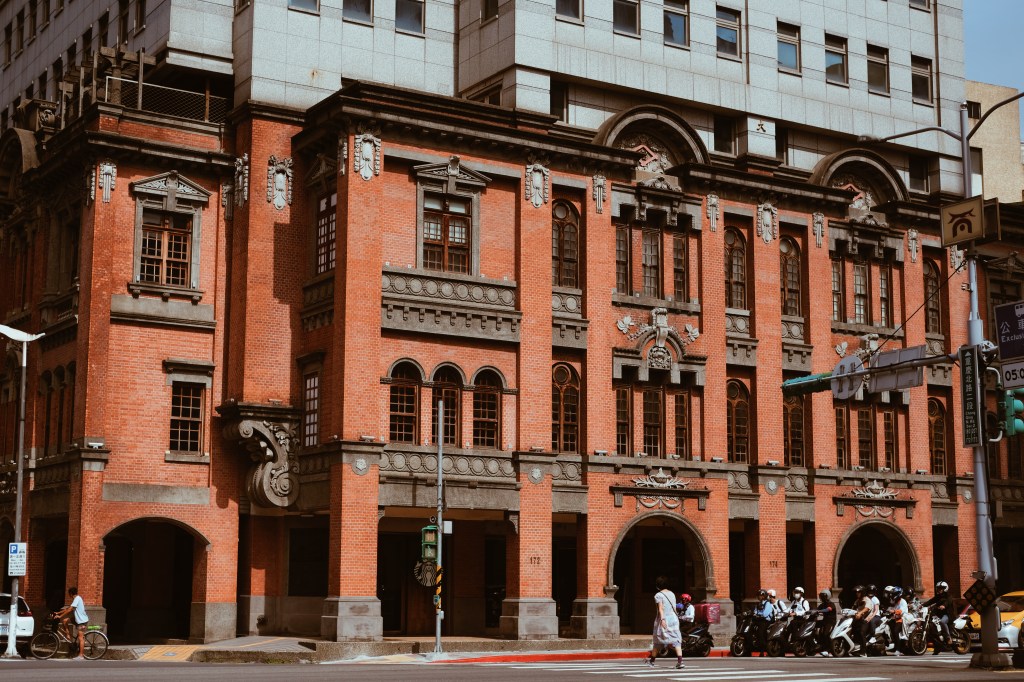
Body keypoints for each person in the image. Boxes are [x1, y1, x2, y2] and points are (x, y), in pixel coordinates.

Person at [645, 576, 684, 669]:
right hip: (673, 619)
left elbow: (661, 608)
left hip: (664, 619)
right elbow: (674, 607)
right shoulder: (672, 594)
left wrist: (662, 619)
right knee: (676, 640)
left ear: (658, 585)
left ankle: (652, 661)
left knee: (657, 641)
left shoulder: (658, 595)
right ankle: (680, 662)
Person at [922, 580, 954, 655]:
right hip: (939, 614)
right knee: (932, 626)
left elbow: (948, 602)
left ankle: (948, 637)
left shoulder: (948, 596)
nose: (939, 590)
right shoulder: (938, 597)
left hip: (947, 614)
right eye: (938, 588)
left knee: (942, 622)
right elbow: (930, 601)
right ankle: (937, 647)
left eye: (940, 588)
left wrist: (944, 606)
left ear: (945, 589)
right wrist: (922, 605)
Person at [57, 587, 88, 660]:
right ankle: (68, 634)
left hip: (81, 621)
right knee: (65, 621)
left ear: (70, 594)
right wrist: (58, 613)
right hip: (77, 619)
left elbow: (70, 609)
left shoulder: (77, 598)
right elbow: (68, 608)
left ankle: (81, 656)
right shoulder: (76, 599)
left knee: (80, 638)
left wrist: (60, 616)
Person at [851, 585, 873, 656]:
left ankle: (864, 652)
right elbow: (853, 608)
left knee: (862, 632)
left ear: (862, 592)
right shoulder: (857, 601)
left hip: (865, 620)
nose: (857, 594)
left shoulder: (867, 600)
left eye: (859, 592)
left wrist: (860, 613)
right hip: (857, 620)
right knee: (852, 631)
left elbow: (866, 608)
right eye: (856, 592)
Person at [815, 589, 837, 657]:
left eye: (823, 596)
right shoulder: (822, 604)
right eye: (821, 596)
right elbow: (816, 609)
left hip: (831, 622)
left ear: (827, 596)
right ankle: (816, 645)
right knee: (815, 627)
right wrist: (810, 611)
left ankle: (827, 650)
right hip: (824, 621)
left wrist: (820, 611)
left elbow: (828, 609)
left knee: (826, 634)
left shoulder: (831, 604)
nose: (822, 598)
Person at [753, 589, 774, 656]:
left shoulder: (767, 604)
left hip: (765, 621)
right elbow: (755, 612)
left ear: (764, 596)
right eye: (758, 595)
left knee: (761, 633)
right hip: (759, 620)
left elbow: (765, 614)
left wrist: (758, 615)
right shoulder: (758, 604)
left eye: (760, 595)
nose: (759, 597)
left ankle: (763, 649)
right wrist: (754, 614)